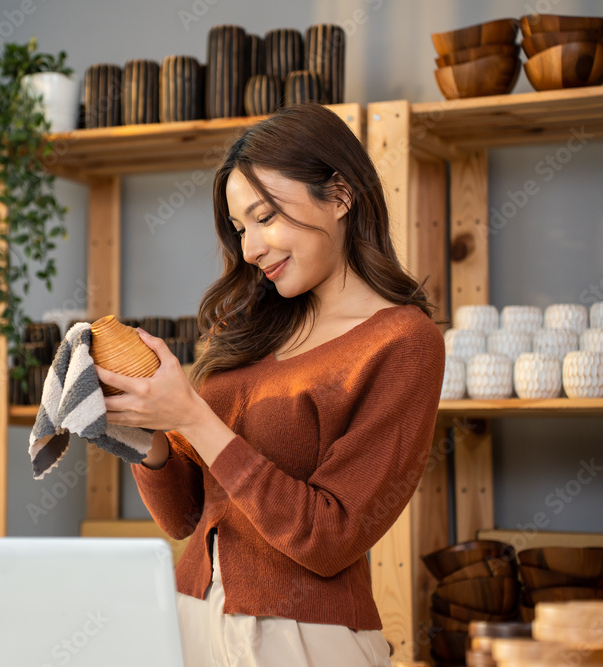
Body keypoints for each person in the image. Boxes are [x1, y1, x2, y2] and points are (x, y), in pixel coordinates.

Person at [94, 103, 445, 667]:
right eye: (240, 229)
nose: (250, 248)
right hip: (193, 618)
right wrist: (147, 431)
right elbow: (186, 516)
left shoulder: (403, 342)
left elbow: (331, 539)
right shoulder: (252, 331)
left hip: (304, 638)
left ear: (339, 195)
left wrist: (191, 417)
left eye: (265, 217)